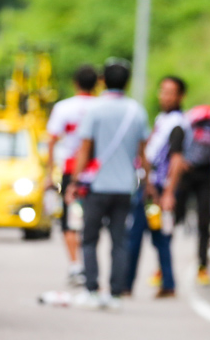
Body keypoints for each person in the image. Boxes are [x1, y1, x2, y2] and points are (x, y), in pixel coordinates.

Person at [65, 58, 150, 309]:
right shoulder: (137, 111)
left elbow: (85, 149)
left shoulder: (95, 109)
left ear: (103, 80)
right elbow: (142, 154)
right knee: (119, 242)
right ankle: (115, 294)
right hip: (125, 187)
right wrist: (149, 182)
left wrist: (74, 180)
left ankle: (92, 290)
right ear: (128, 81)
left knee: (89, 239)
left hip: (97, 186)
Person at [163, 85, 210, 285]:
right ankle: (162, 268)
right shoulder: (200, 115)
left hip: (204, 173)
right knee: (174, 218)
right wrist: (178, 158)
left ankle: (203, 268)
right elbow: (177, 132)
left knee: (204, 221)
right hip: (184, 171)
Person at [125, 76, 187, 298]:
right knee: (151, 237)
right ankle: (165, 283)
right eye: (163, 91)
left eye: (171, 92)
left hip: (158, 190)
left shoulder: (178, 123)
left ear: (180, 96)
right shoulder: (163, 119)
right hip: (149, 186)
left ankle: (126, 284)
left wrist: (169, 192)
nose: (165, 96)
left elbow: (177, 160)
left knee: (143, 236)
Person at [44, 64, 98, 286]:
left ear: (75, 83)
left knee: (70, 221)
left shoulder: (64, 108)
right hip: (95, 171)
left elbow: (52, 140)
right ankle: (90, 266)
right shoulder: (100, 106)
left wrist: (49, 172)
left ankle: (76, 266)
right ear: (97, 83)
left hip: (69, 170)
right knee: (91, 221)